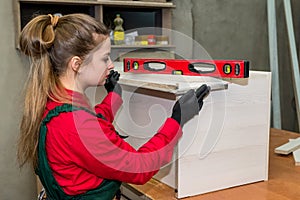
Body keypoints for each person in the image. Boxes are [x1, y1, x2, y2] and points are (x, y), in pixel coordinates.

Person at [17, 13, 210, 200]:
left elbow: (93, 126)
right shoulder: (76, 125)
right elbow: (138, 168)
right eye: (104, 58)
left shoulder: (53, 100)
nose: (111, 65)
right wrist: (177, 120)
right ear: (77, 64)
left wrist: (114, 96)